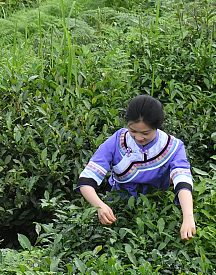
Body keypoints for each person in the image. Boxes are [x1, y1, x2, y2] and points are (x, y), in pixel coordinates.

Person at [77, 94, 196, 240]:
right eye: (133, 131)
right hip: (117, 208)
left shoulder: (173, 147)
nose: (139, 138)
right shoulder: (117, 140)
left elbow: (182, 181)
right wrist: (99, 206)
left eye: (146, 133)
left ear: (157, 127)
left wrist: (188, 217)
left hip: (156, 211)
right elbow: (86, 179)